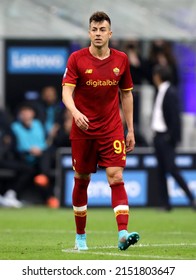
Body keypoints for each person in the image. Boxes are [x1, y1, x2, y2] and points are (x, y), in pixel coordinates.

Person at [61, 11, 140, 251]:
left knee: (116, 176)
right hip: (83, 130)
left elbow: (126, 94)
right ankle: (80, 237)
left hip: (111, 129)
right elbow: (66, 92)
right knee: (82, 180)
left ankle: (123, 234)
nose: (98, 34)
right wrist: (76, 113)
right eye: (94, 30)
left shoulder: (121, 60)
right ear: (89, 33)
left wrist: (131, 129)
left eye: (102, 29)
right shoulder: (77, 58)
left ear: (110, 33)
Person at [151, 64, 196, 211]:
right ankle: (166, 204)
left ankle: (191, 198)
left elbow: (175, 118)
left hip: (166, 137)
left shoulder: (170, 92)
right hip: (158, 136)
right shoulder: (159, 91)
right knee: (161, 171)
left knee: (172, 169)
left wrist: (171, 137)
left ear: (159, 76)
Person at [11, 103, 59, 208]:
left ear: (32, 114)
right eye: (23, 113)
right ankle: (49, 193)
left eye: (28, 112)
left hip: (41, 156)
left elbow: (43, 142)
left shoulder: (37, 124)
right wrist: (31, 150)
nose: (26, 115)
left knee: (45, 156)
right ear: (20, 115)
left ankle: (44, 177)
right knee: (39, 173)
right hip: (26, 157)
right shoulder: (15, 127)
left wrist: (40, 148)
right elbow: (20, 144)